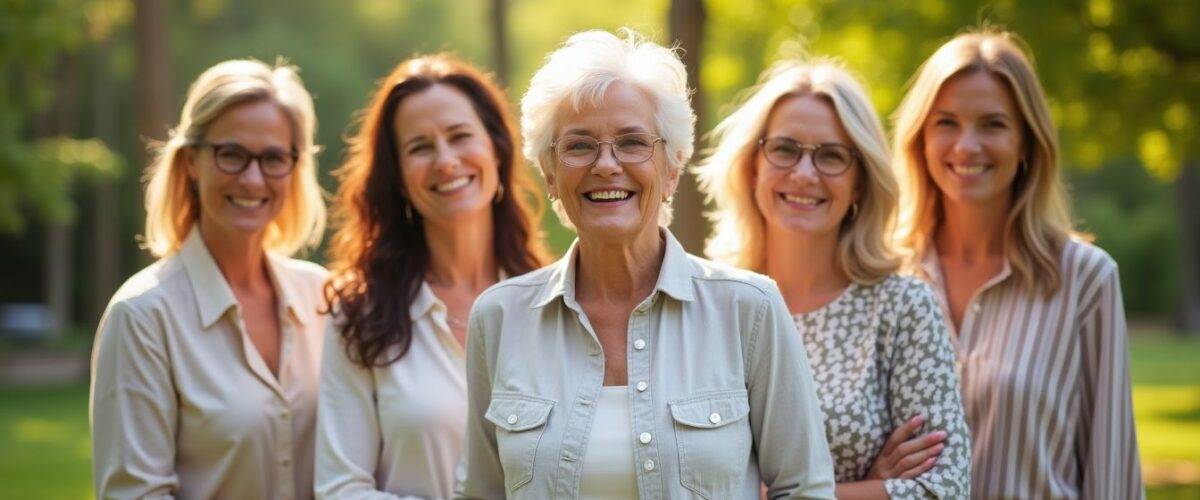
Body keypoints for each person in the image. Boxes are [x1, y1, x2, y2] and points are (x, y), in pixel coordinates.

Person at [455, 29, 836, 500]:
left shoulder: (748, 308)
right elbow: (481, 495)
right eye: (579, 145)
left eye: (633, 142)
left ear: (673, 168)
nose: (606, 164)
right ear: (550, 174)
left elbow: (806, 489)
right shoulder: (499, 318)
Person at [696, 58, 971, 499]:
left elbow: (945, 490)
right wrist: (868, 488)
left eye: (831, 156)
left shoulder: (903, 308)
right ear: (752, 168)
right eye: (784, 149)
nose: (805, 174)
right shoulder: (706, 304)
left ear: (860, 182)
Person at [892, 29, 1144, 499]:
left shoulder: (1085, 279)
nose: (967, 146)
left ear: (1028, 142)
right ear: (920, 139)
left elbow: (1113, 471)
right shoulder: (882, 276)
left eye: (993, 124)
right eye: (946, 122)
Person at [314, 54, 549, 499]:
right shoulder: (360, 313)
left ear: (497, 150)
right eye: (420, 147)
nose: (445, 161)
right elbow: (340, 488)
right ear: (398, 177)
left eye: (460, 136)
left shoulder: (554, 300)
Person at [89, 59, 328, 499]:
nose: (253, 178)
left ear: (295, 169)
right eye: (232, 154)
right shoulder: (142, 316)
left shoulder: (324, 298)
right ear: (191, 162)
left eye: (274, 158)